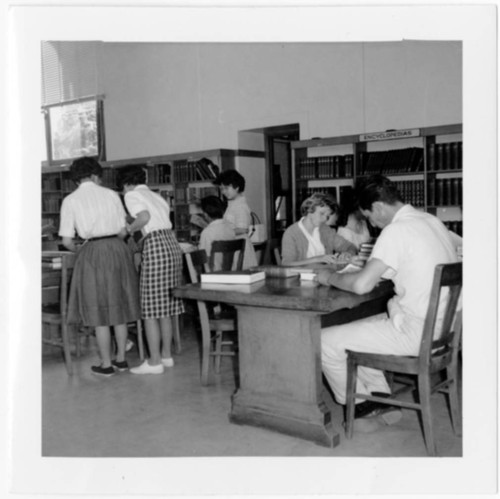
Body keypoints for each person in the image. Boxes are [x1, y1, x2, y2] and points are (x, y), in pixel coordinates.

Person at [318, 175, 458, 431]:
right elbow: (394, 270)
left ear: (379, 207)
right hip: (444, 330)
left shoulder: (396, 230)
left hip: (418, 332)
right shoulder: (431, 221)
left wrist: (330, 276)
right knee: (362, 325)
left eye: (369, 216)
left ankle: (360, 408)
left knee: (323, 340)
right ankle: (380, 398)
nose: (371, 223)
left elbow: (362, 286)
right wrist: (360, 274)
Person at [59, 157, 141, 377]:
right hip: (117, 248)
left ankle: (106, 364)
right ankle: (121, 360)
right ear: (96, 175)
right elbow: (124, 230)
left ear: (75, 178)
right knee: (119, 307)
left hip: (93, 252)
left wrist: (83, 252)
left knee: (99, 310)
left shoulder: (70, 200)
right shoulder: (111, 194)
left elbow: (67, 241)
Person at [117, 165, 185, 375]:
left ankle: (154, 362)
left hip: (154, 245)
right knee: (165, 307)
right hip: (172, 245)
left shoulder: (132, 195)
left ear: (126, 184)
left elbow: (144, 218)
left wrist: (128, 229)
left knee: (149, 309)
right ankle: (166, 356)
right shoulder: (157, 196)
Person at [280, 192, 357, 266]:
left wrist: (348, 253)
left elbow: (350, 246)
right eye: (322, 213)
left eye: (327, 216)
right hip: (301, 277)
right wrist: (317, 259)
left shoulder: (325, 230)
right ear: (309, 209)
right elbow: (287, 263)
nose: (324, 219)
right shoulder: (291, 233)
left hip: (324, 275)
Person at [213, 169, 258, 268]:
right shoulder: (232, 204)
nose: (223, 192)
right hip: (235, 246)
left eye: (226, 188)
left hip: (240, 248)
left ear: (236, 187)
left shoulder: (240, 205)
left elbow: (242, 229)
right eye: (221, 189)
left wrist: (221, 232)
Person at [198, 195, 236, 271]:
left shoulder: (207, 232)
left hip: (213, 274)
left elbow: (204, 258)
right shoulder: (230, 229)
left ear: (205, 214)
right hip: (230, 272)